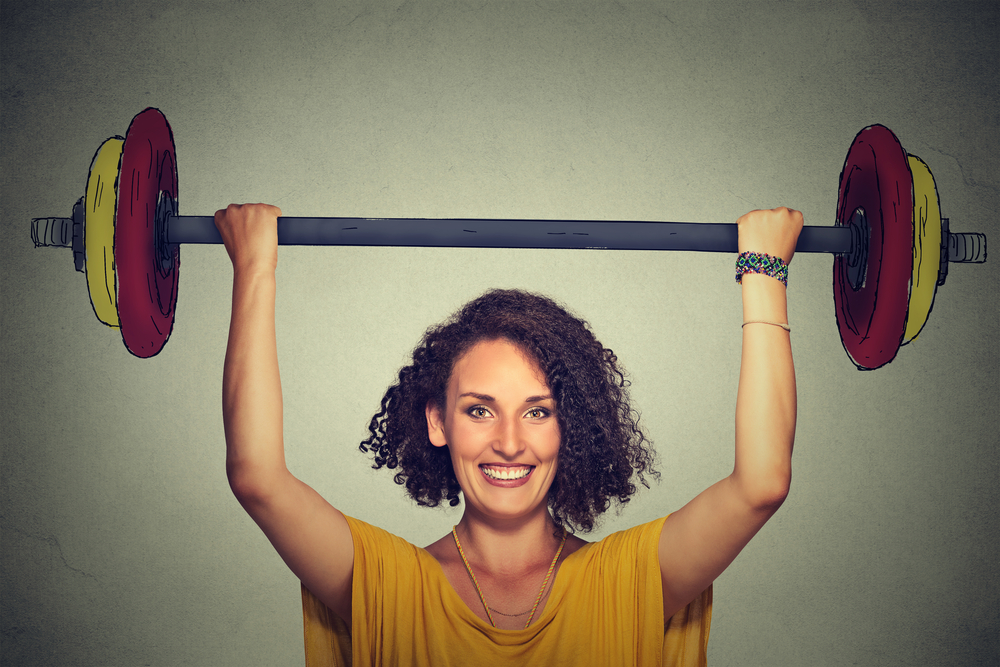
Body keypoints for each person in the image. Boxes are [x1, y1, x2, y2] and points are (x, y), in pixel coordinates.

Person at [215, 203, 802, 666]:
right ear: (436, 422)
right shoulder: (386, 586)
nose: (510, 443)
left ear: (571, 427)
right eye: (479, 411)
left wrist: (764, 271)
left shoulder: (631, 582)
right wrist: (254, 266)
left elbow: (761, 484)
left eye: (538, 412)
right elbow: (257, 477)